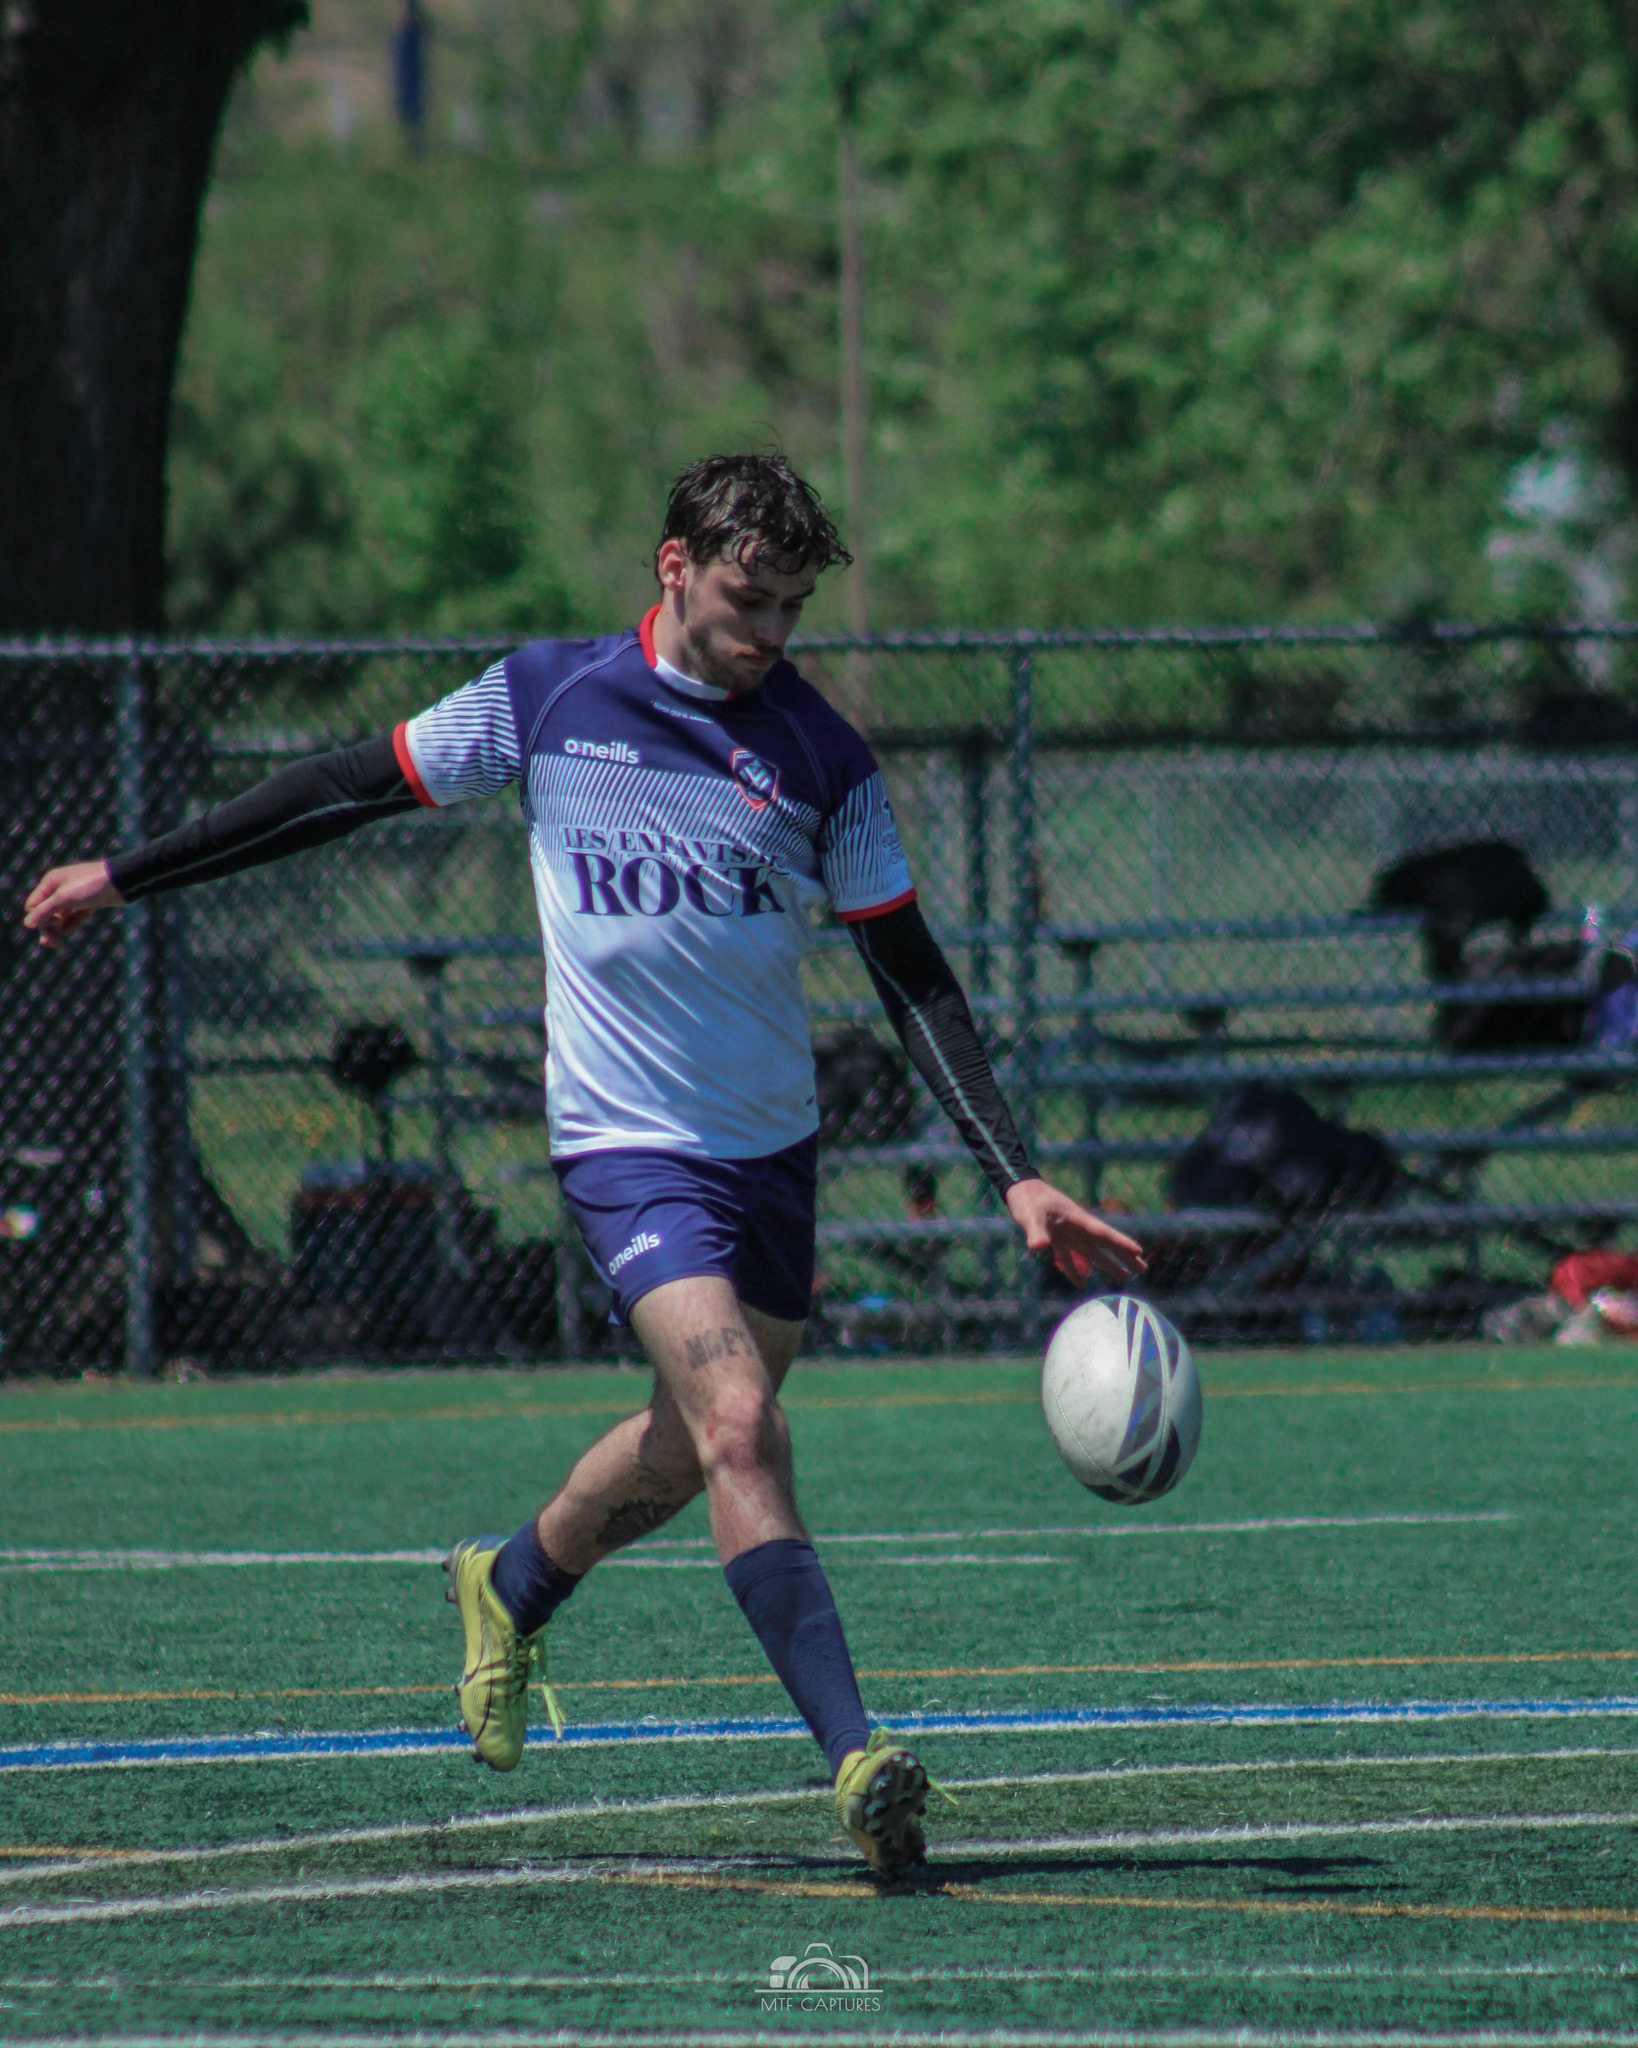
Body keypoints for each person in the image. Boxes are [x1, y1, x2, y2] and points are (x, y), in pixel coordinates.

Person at [24, 452, 1144, 1879]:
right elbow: (341, 789)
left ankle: (510, 1579)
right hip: (625, 1147)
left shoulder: (821, 754)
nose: (770, 636)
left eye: (794, 608)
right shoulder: (547, 695)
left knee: (690, 1450)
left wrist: (1014, 1171)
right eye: (749, 599)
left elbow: (907, 971)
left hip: (769, 1155)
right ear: (671, 564)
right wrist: (127, 875)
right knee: (740, 1420)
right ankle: (859, 1760)